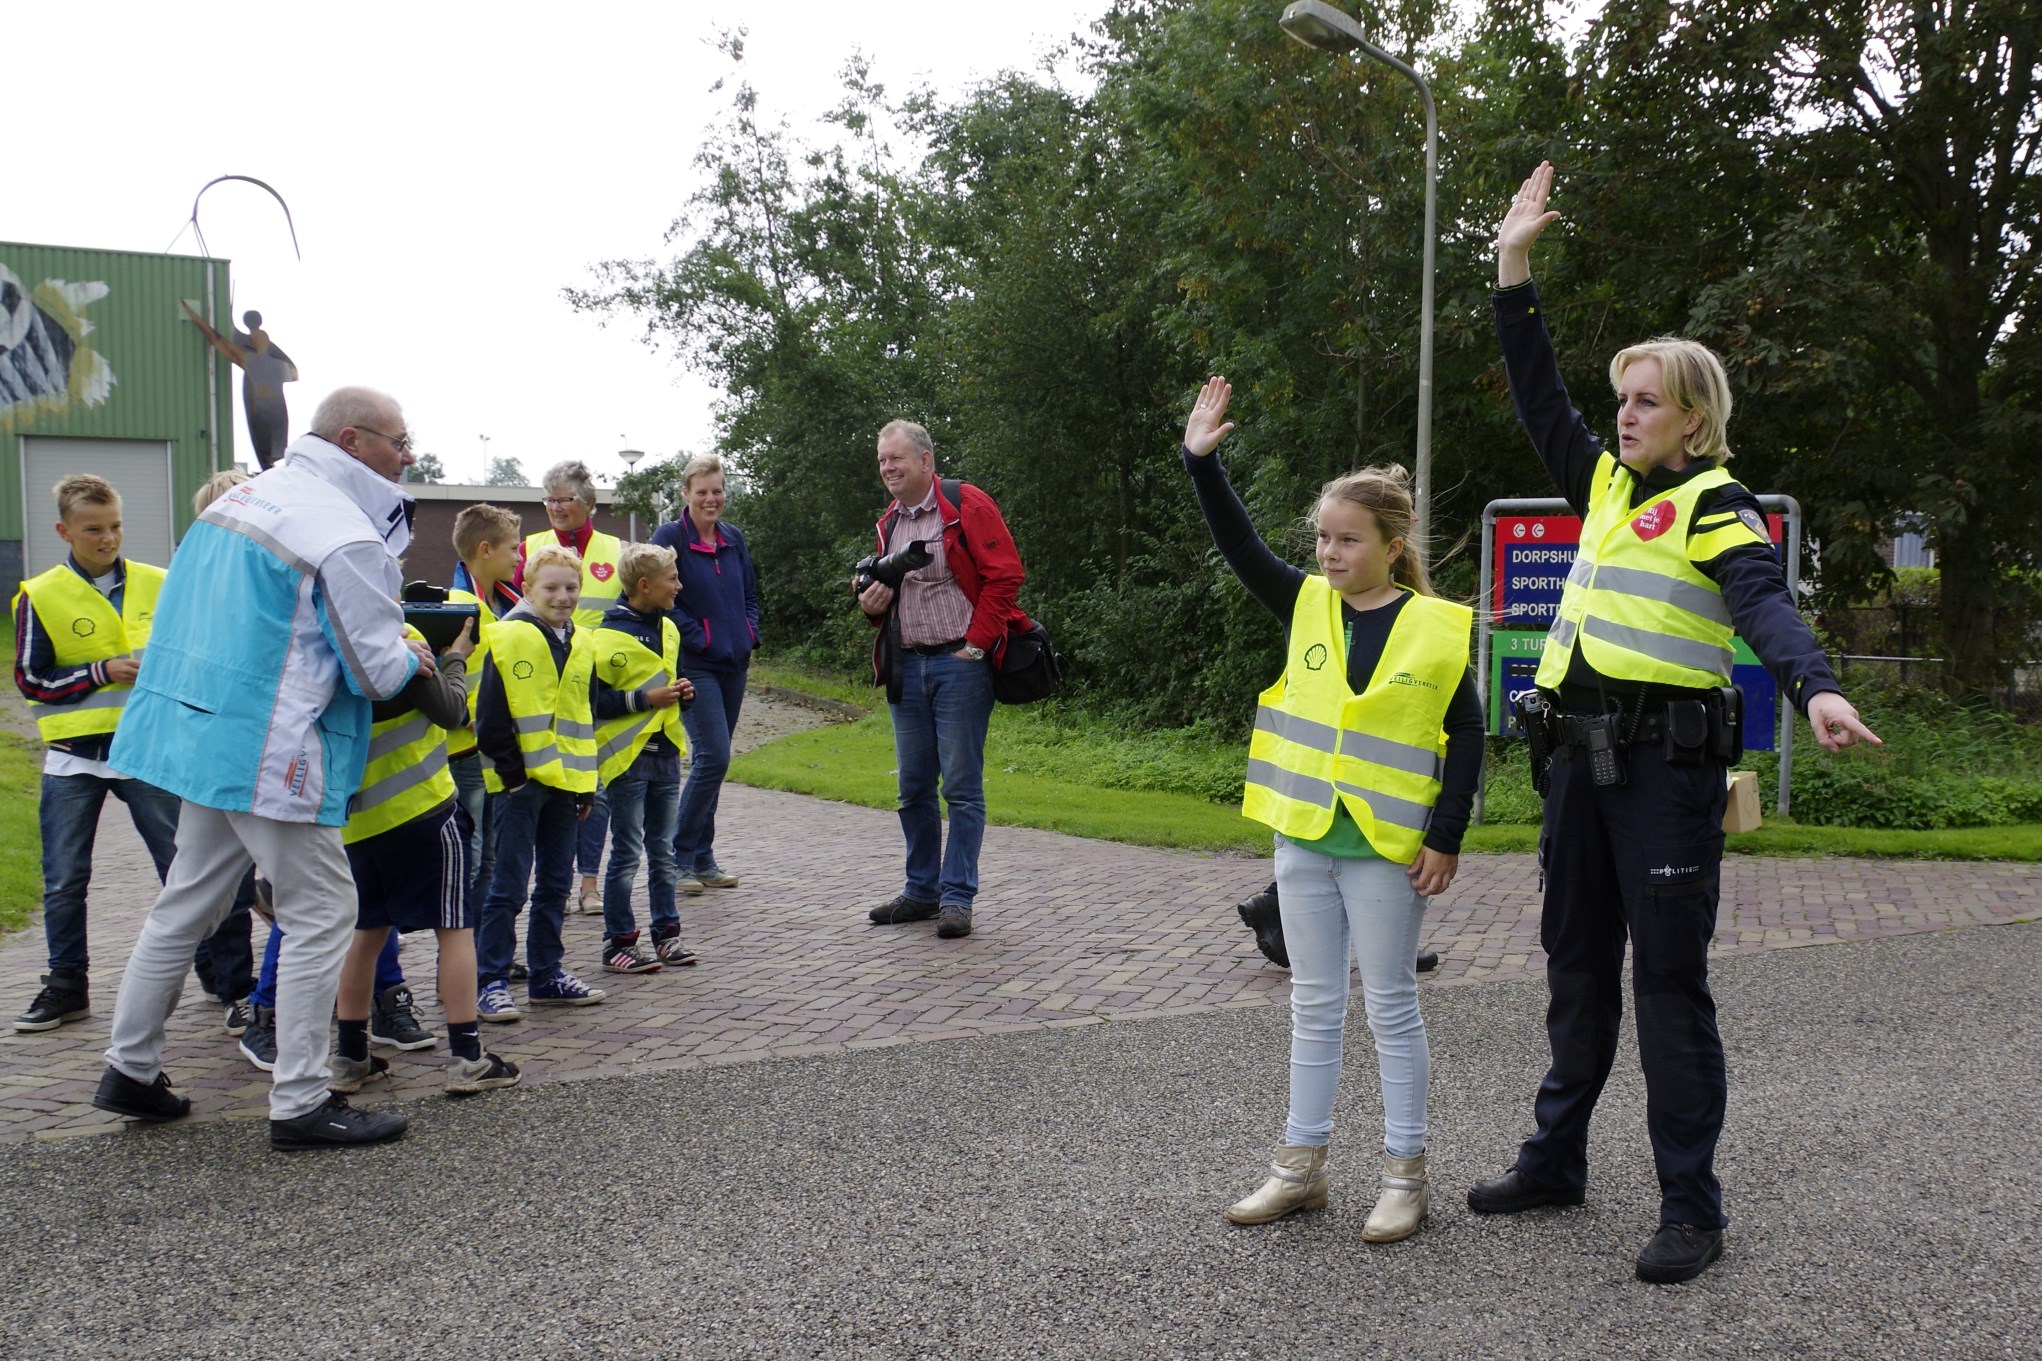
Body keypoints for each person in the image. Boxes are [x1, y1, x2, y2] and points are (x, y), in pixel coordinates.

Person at [1469, 163, 1881, 1284]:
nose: (1624, 413)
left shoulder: (1715, 501)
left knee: (1664, 985)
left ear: (1692, 417)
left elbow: (1760, 604)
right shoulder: (1604, 487)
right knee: (1571, 971)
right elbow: (1534, 391)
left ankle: (1690, 1208)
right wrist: (1511, 264)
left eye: (1645, 399)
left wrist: (1815, 686)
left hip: (1662, 773)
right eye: (1622, 399)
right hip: (1574, 765)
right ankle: (1553, 1162)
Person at [92, 386, 433, 1150]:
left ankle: (131, 1068)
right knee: (321, 912)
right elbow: (376, 674)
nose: (406, 458)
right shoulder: (344, 535)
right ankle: (302, 1099)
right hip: (273, 747)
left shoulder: (242, 500)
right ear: (353, 439)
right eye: (399, 442)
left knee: (184, 902)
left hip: (201, 731)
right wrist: (413, 650)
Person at [1181, 379, 1482, 1244]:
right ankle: (1299, 1169)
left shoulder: (1432, 625)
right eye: (1321, 537)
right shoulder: (1305, 602)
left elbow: (1466, 735)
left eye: (1347, 539)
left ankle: (1404, 1176)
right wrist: (1202, 462)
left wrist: (1447, 836)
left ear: (1393, 545)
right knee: (1314, 1003)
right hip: (1305, 834)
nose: (1328, 552)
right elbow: (1239, 546)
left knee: (1389, 1004)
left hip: (1389, 847)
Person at [10, 475, 184, 1034]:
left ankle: (223, 983)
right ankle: (66, 988)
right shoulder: (38, 593)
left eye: (114, 526)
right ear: (65, 531)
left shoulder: (162, 583)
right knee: (64, 880)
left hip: (148, 752)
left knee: (184, 872)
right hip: (74, 759)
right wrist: (99, 672)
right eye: (93, 530)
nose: (107, 538)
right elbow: (32, 679)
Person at [330, 614, 520, 1098]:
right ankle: (468, 1057)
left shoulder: (329, 643)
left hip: (357, 817)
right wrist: (455, 656)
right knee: (455, 929)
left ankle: (350, 1056)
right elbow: (452, 712)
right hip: (422, 806)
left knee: (366, 932)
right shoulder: (399, 640)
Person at [856, 420, 1026, 940]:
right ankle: (920, 892)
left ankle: (957, 897)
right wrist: (868, 604)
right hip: (907, 665)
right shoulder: (889, 523)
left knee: (960, 788)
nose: (888, 468)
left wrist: (977, 641)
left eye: (897, 459)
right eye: (883, 460)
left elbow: (1006, 574)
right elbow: (880, 595)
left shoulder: (965, 504)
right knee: (912, 788)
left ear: (926, 461)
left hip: (960, 664)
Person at [473, 542, 606, 1021]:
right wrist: (512, 776)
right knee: (508, 885)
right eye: (551, 587)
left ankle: (547, 973)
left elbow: (583, 717)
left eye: (571, 587)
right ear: (527, 588)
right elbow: (489, 716)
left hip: (567, 784)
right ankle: (490, 979)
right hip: (520, 787)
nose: (563, 596)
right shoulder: (509, 636)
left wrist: (586, 784)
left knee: (554, 883)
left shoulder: (582, 641)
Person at [513, 459, 622, 913]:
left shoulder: (615, 549)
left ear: (589, 503)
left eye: (565, 499)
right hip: (542, 683)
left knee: (594, 784)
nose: (556, 508)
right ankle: (547, 881)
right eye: (550, 499)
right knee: (549, 784)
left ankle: (589, 884)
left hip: (597, 683)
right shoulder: (530, 547)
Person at [650, 454, 759, 896]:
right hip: (695, 664)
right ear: (686, 494)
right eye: (702, 492)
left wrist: (750, 632)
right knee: (712, 756)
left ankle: (703, 858)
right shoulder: (669, 537)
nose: (711, 499)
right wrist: (701, 637)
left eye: (717, 491)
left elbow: (750, 593)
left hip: (735, 663)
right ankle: (676, 859)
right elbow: (663, 598)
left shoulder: (733, 538)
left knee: (716, 761)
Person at [590, 542, 696, 972]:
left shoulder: (670, 628)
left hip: (665, 753)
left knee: (663, 851)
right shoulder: (603, 636)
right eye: (672, 578)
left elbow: (672, 684)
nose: (679, 585)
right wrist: (643, 699)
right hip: (626, 758)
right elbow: (594, 700)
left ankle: (666, 935)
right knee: (628, 852)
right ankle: (617, 941)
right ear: (645, 585)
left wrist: (684, 695)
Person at [448, 502, 526, 959]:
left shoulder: (507, 602)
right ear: (485, 549)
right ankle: (463, 962)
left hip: (495, 754)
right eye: (513, 548)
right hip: (466, 755)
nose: (519, 557)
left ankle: (485, 954)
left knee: (491, 858)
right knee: (472, 858)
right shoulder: (459, 607)